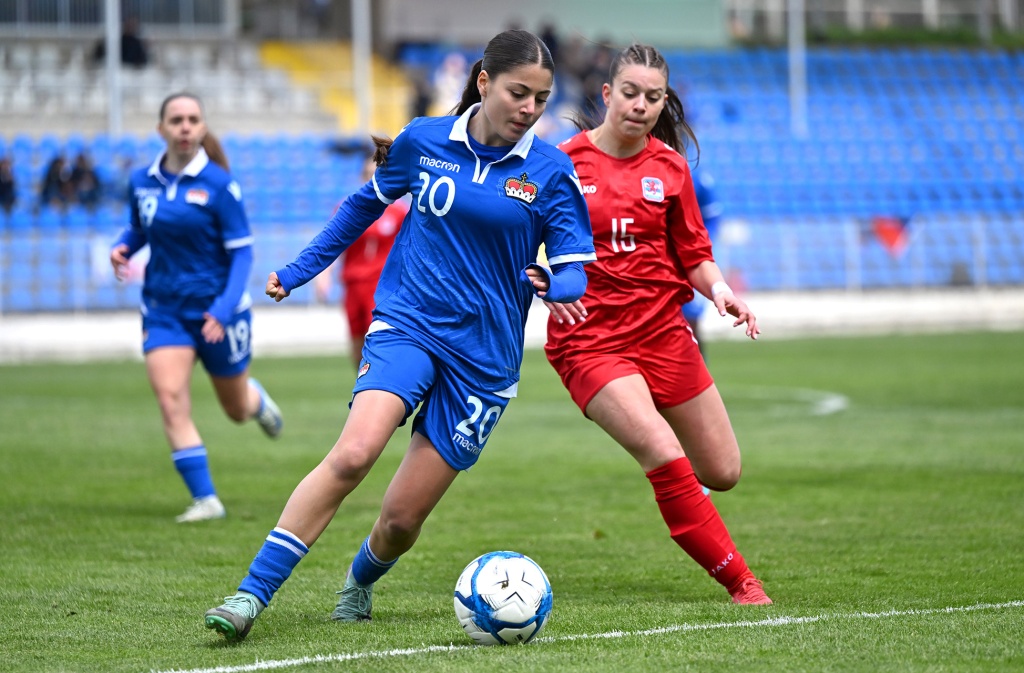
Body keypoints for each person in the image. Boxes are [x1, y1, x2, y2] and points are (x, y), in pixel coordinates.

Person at [203, 28, 595, 642]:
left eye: (542, 99)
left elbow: (576, 273)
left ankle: (359, 581)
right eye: (519, 93)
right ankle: (249, 596)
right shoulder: (424, 140)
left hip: (485, 359)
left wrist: (552, 278)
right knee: (355, 452)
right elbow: (362, 206)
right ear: (485, 82)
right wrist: (299, 271)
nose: (529, 109)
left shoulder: (552, 169)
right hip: (408, 322)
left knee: (400, 520)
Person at [544, 43, 771, 605]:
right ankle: (741, 581)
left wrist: (721, 291)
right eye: (630, 93)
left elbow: (694, 252)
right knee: (664, 452)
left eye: (652, 97)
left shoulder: (669, 168)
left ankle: (680, 496)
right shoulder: (562, 164)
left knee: (722, 471)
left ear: (662, 101)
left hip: (664, 333)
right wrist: (540, 279)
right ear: (606, 94)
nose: (640, 105)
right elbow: (524, 243)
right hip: (590, 340)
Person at [109, 92, 284, 524]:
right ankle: (206, 499)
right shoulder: (142, 181)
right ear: (161, 129)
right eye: (176, 120)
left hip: (219, 313)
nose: (184, 127)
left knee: (235, 409)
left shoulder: (221, 185)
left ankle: (256, 401)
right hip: (164, 311)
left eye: (192, 119)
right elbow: (140, 227)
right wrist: (124, 248)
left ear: (202, 128)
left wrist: (223, 311)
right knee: (170, 399)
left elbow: (242, 255)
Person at [316, 155, 409, 369]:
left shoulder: (399, 210)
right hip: (352, 286)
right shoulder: (349, 207)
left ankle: (381, 391)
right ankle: (363, 389)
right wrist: (324, 276)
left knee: (376, 342)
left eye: (377, 174)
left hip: (381, 287)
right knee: (356, 346)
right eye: (368, 175)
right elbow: (332, 244)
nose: (372, 179)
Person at [681, 166, 724, 357]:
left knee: (691, 321)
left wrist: (701, 247)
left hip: (690, 259)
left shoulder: (695, 177)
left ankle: (698, 374)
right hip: (658, 259)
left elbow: (712, 218)